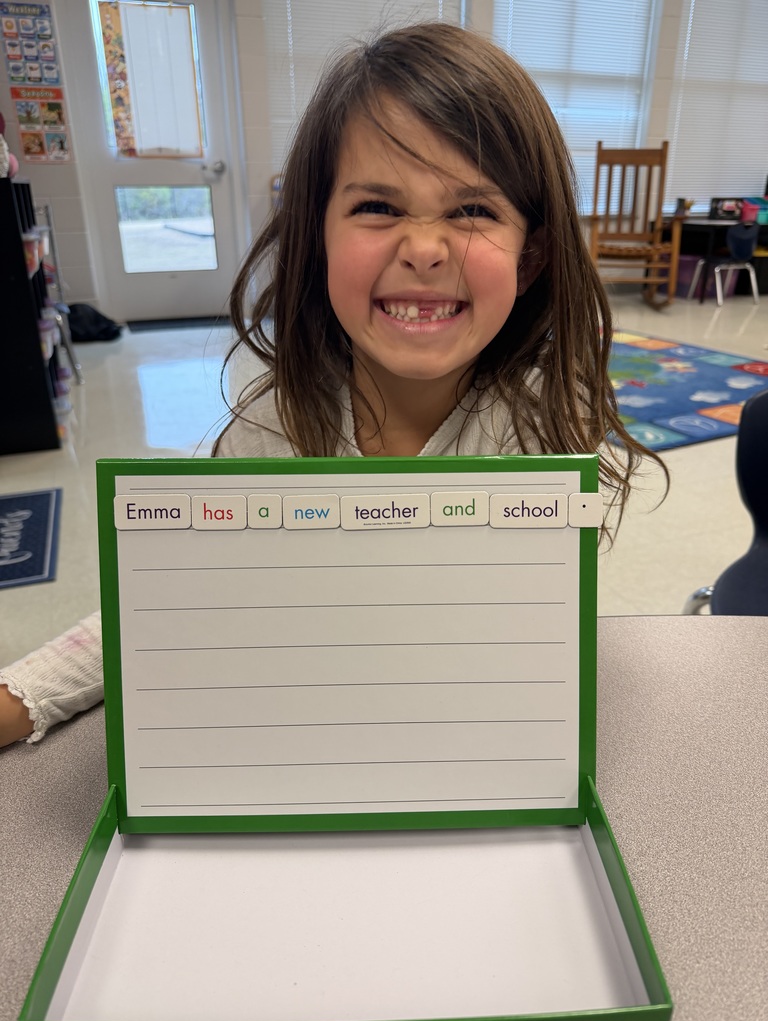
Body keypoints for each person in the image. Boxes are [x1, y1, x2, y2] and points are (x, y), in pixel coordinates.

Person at [0, 21, 665, 748]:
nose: (423, 249)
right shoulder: (276, 426)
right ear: (316, 238)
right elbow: (165, 596)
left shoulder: (542, 426)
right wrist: (24, 695)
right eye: (377, 207)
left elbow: (525, 647)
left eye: (473, 210)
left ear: (530, 257)